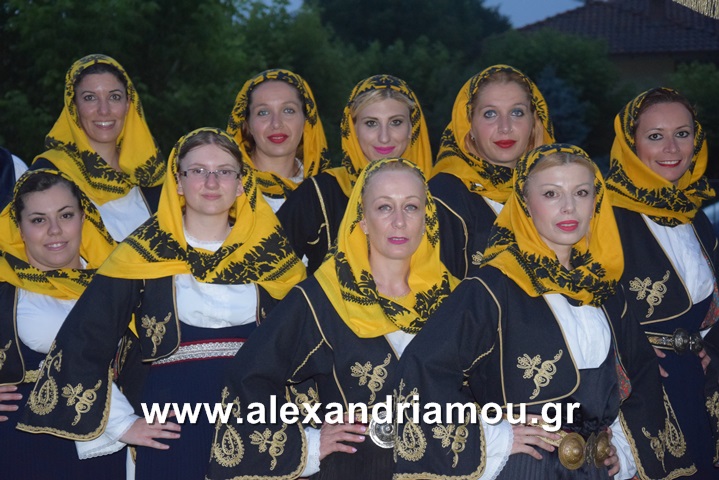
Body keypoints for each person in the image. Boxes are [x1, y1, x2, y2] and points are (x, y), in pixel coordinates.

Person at [393, 144, 696, 479]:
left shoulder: (605, 289)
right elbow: (424, 367)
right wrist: (495, 435)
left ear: (596, 202)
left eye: (581, 192)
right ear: (524, 203)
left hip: (596, 470)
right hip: (526, 468)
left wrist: (623, 448)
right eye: (551, 194)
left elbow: (640, 372)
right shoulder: (493, 287)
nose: (569, 206)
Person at [18, 128, 306, 479]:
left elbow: (305, 345)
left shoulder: (274, 257)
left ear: (241, 183)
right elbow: (82, 339)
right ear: (178, 181)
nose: (211, 182)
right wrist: (123, 424)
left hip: (256, 418)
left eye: (224, 171)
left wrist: (310, 429)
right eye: (197, 170)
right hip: (173, 420)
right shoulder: (143, 252)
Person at [206, 158, 458, 479]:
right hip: (354, 467)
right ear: (362, 219)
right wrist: (308, 444)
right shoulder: (323, 296)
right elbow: (249, 376)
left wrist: (494, 436)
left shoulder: (456, 297)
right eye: (384, 207)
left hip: (440, 468)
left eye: (411, 207)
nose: (399, 221)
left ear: (427, 217)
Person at [605, 87, 719, 477]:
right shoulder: (603, 216)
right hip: (643, 394)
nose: (672, 148)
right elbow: (574, 303)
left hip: (699, 383)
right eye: (655, 136)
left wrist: (710, 346)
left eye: (682, 133)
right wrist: (623, 354)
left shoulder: (695, 214)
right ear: (631, 144)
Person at [0, 169, 122, 478]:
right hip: (27, 447)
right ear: (20, 229)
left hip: (115, 441)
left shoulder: (120, 280)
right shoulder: (5, 286)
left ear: (84, 218)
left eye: (65, 215)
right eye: (38, 220)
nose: (54, 230)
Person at [276, 74, 432, 273]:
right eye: (371, 123)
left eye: (396, 122)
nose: (384, 137)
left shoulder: (437, 194)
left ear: (412, 127)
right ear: (353, 129)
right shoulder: (322, 193)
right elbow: (268, 263)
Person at [429, 64, 555, 279]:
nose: (505, 127)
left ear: (534, 122)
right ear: (468, 124)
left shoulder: (559, 190)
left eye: (517, 112)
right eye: (490, 114)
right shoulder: (442, 197)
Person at [31, 54, 165, 241]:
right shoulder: (50, 174)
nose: (104, 110)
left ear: (128, 104)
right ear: (73, 106)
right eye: (90, 98)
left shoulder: (149, 176)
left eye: (114, 97)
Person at [226, 69, 330, 212]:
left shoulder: (327, 191)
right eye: (263, 112)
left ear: (307, 121)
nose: (276, 123)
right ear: (247, 125)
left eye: (288, 110)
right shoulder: (223, 186)